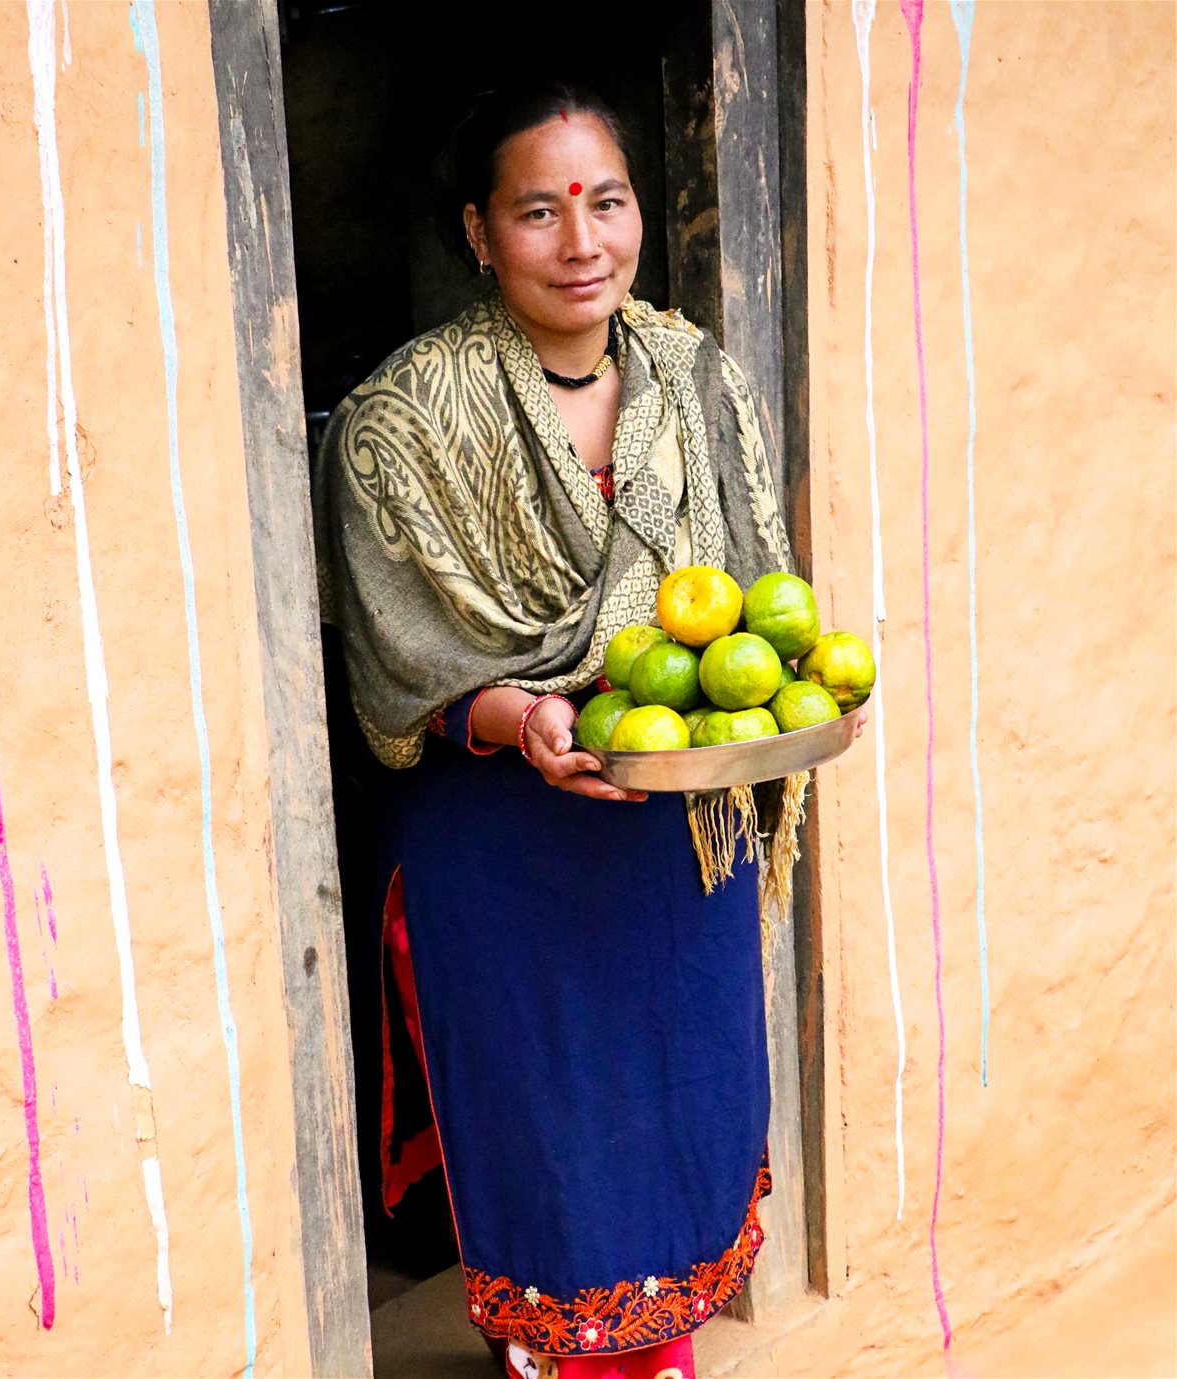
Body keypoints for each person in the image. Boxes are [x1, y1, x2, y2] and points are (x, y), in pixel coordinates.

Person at [313, 83, 862, 1379]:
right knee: (551, 1119)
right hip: (506, 828)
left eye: (606, 202)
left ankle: (656, 1343)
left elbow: (757, 590)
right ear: (480, 232)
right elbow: (398, 658)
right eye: (540, 211)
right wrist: (516, 710)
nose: (584, 242)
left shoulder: (695, 375)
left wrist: (786, 689)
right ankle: (557, 1350)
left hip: (681, 818)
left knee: (689, 1088)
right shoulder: (405, 420)